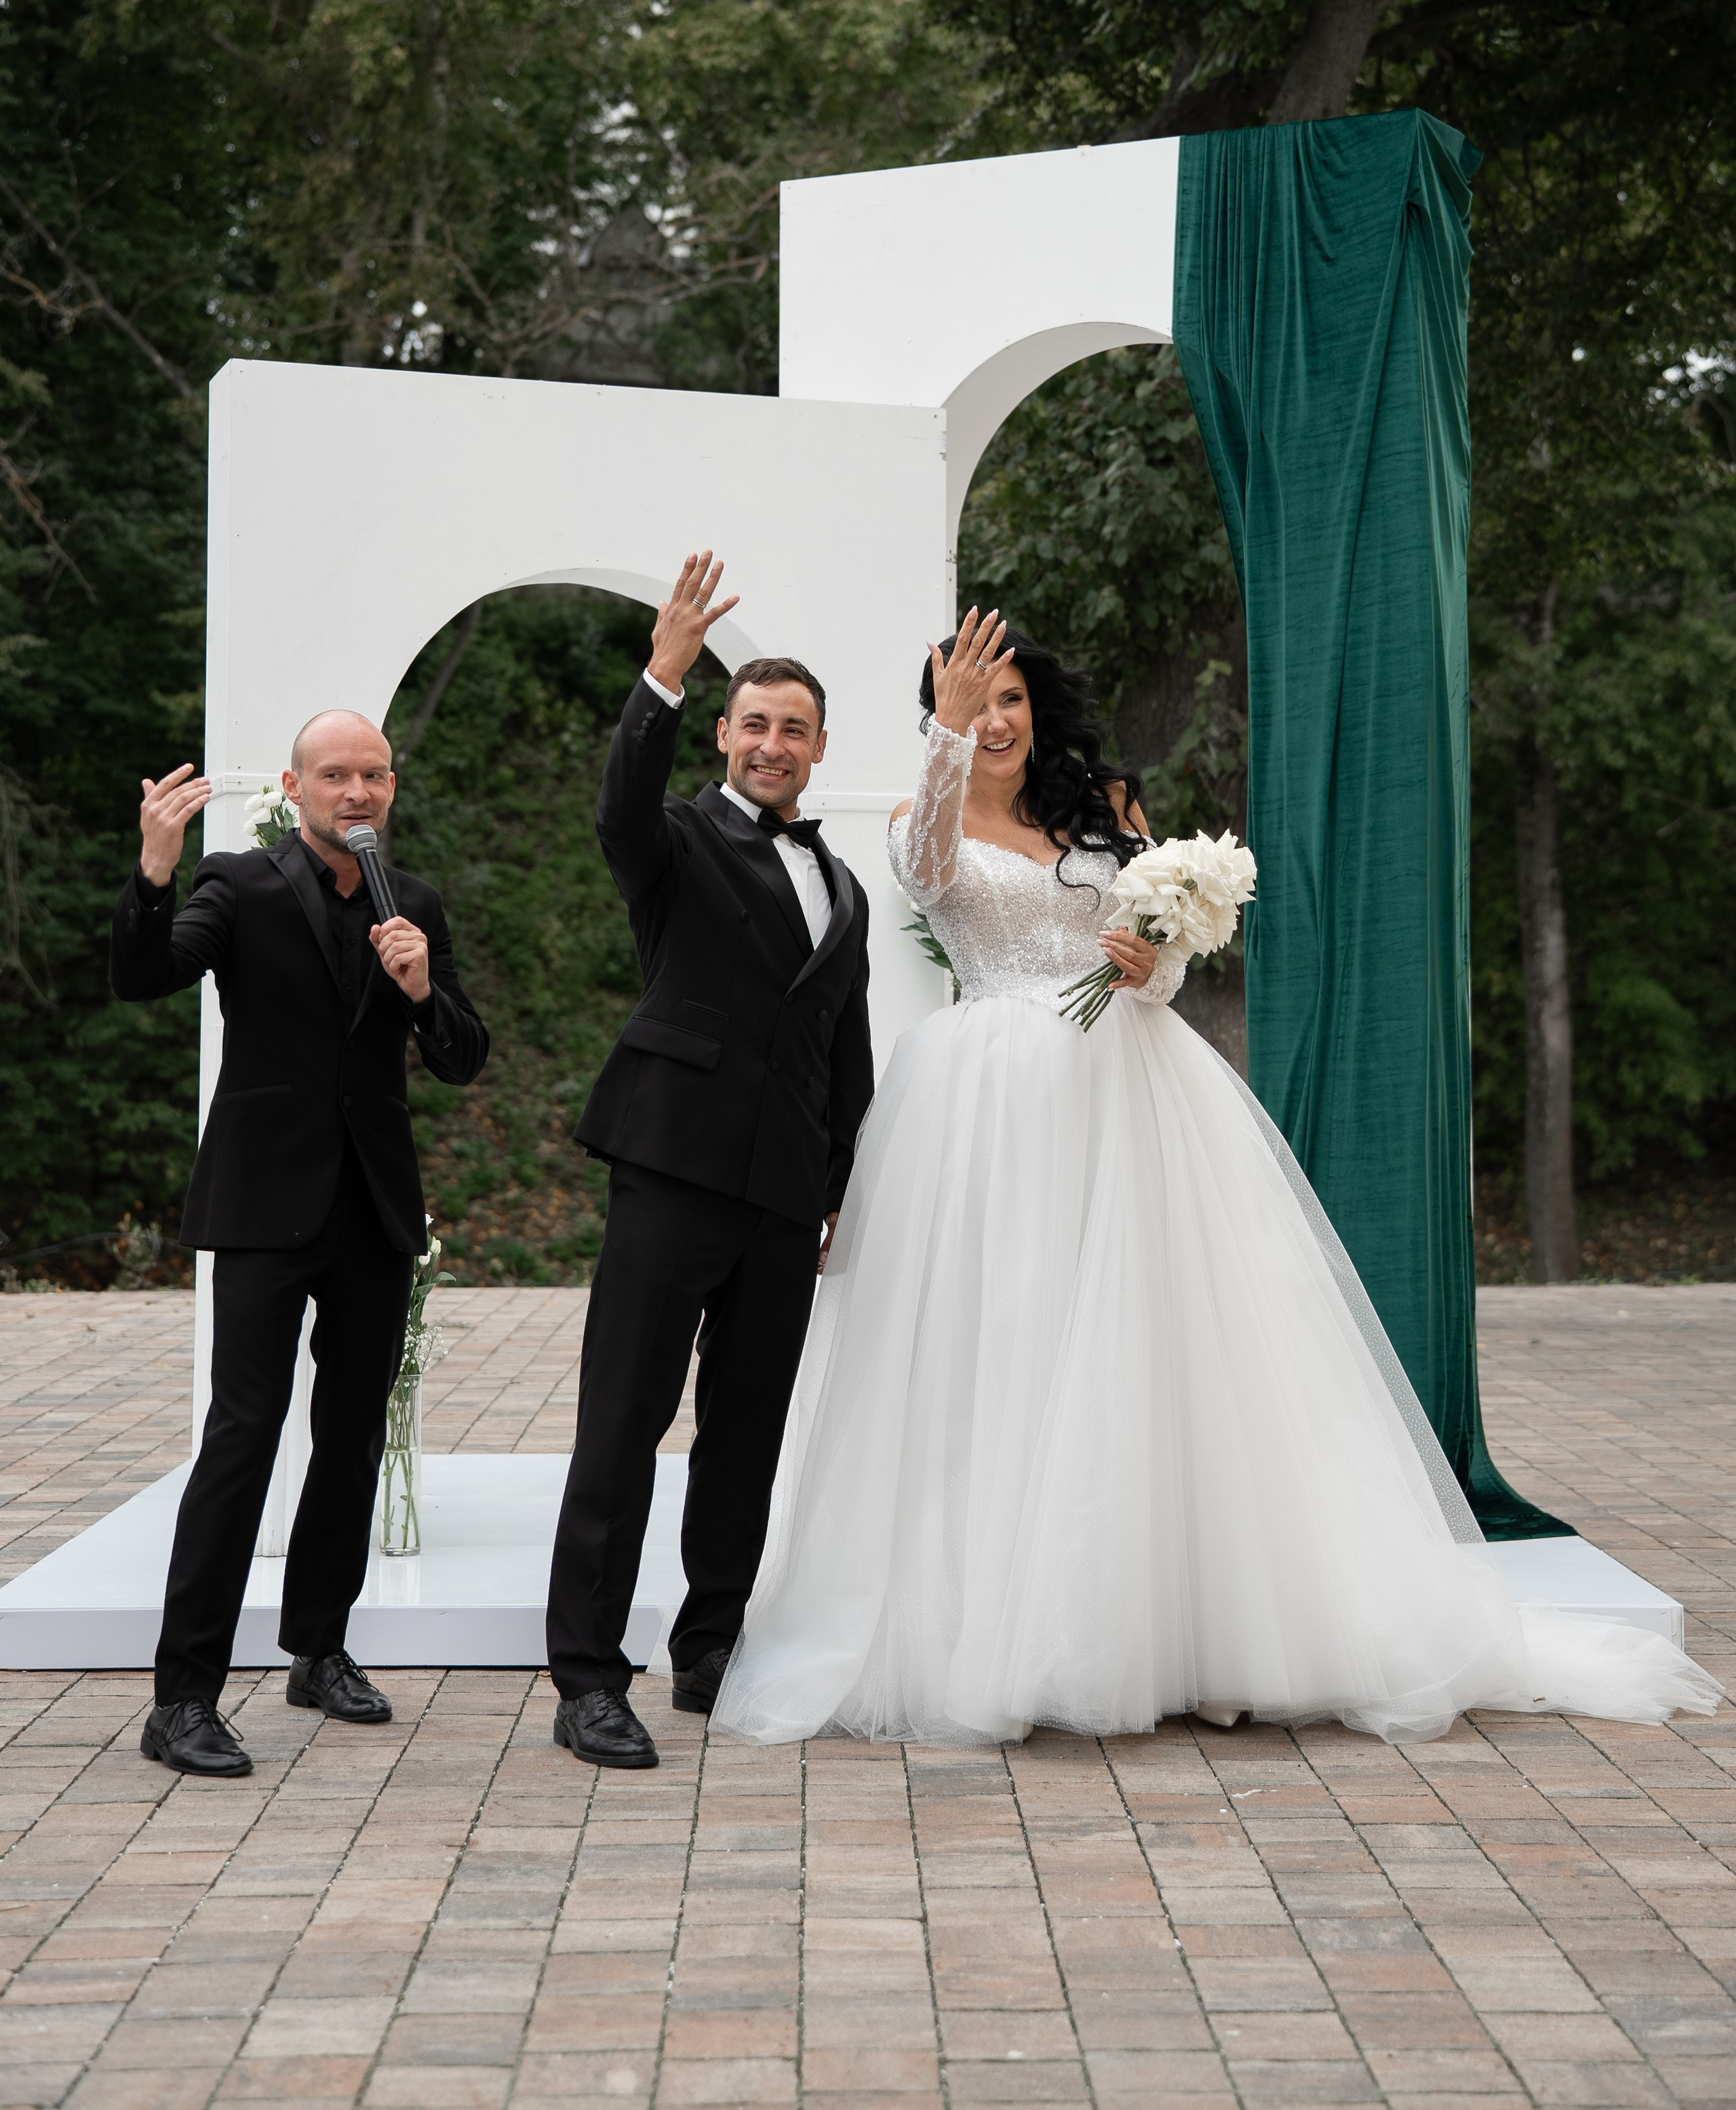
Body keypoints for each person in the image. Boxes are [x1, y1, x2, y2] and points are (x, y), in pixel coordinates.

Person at [713, 610, 1720, 1746]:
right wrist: (944, 739)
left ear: (1037, 707)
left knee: (1154, 1354)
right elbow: (932, 872)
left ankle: (1199, 1631)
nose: (993, 719)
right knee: (1001, 1351)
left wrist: (1150, 963)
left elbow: (1161, 973)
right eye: (969, 698)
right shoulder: (921, 812)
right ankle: (1006, 1629)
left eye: (1009, 698)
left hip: (1131, 1095)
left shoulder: (1111, 807)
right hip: (988, 1106)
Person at [109, 711, 489, 1777]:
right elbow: (144, 976)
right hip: (265, 1203)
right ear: (296, 784)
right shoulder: (237, 884)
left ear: (392, 786)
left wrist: (421, 991)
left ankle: (318, 1646)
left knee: (354, 1432)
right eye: (335, 773)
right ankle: (181, 1696)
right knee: (243, 1435)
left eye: (373, 773)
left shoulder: (413, 901)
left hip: (371, 1204)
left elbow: (463, 1055)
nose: (356, 790)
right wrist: (154, 868)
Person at [546, 552, 873, 1771]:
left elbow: (848, 1044)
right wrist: (664, 675)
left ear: (820, 746)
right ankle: (587, 1675)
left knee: (745, 1434)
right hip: (671, 1167)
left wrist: (841, 1182)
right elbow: (618, 811)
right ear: (724, 733)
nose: (773, 742)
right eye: (754, 722)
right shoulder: (675, 840)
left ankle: (713, 1648)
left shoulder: (840, 884)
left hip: (785, 1199)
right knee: (621, 1422)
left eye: (794, 727)